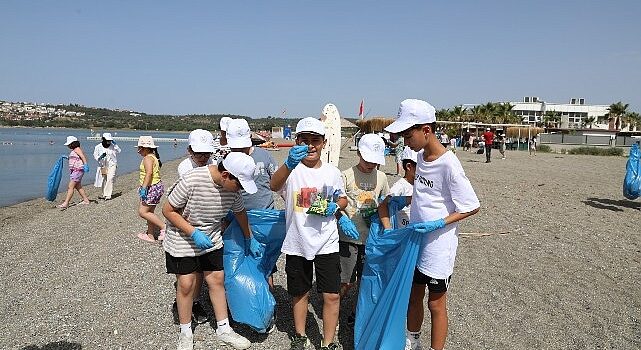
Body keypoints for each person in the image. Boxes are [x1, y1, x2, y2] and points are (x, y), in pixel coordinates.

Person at [379, 99, 480, 350]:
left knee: (435, 304)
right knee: (414, 295)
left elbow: (470, 205)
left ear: (426, 130)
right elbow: (428, 194)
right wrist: (405, 199)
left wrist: (438, 223)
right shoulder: (421, 156)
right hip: (416, 240)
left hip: (438, 246)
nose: (405, 140)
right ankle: (412, 340)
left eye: (408, 134)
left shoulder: (449, 164)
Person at [162, 152, 258, 350]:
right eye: (239, 184)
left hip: (212, 238)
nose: (240, 190)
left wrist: (250, 237)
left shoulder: (233, 191)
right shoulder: (192, 180)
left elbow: (240, 213)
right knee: (186, 284)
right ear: (226, 175)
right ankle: (185, 331)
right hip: (182, 239)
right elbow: (168, 210)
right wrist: (193, 232)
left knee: (216, 280)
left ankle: (224, 329)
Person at [270, 117, 348, 350]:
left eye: (316, 140)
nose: (311, 145)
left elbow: (341, 197)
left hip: (327, 242)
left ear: (324, 143)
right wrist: (288, 164)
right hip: (297, 241)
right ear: (296, 142)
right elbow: (274, 186)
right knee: (300, 293)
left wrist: (338, 206)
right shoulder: (291, 171)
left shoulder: (333, 172)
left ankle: (328, 342)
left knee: (332, 295)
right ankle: (300, 335)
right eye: (305, 140)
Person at [225, 118, 279, 332]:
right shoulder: (226, 159)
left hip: (264, 216)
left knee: (266, 263)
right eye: (234, 146)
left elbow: (278, 183)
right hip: (235, 218)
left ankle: (268, 307)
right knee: (237, 264)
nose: (238, 149)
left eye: (242, 146)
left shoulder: (264, 156)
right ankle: (240, 306)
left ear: (250, 142)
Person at [339, 133, 389, 327]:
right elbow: (338, 202)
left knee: (365, 280)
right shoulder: (346, 175)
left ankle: (356, 312)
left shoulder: (382, 177)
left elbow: (385, 201)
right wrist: (343, 220)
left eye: (375, 162)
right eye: (368, 160)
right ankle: (334, 308)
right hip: (348, 237)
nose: (371, 165)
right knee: (346, 280)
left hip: (371, 239)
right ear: (359, 153)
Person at [175, 129, 217, 325]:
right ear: (189, 150)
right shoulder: (185, 168)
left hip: (207, 224)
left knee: (200, 270)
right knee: (186, 275)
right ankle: (184, 302)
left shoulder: (213, 164)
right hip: (186, 224)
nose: (202, 157)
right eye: (198, 153)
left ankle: (196, 300)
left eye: (206, 153)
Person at [136, 136, 166, 242]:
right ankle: (150, 235)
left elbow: (149, 173)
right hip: (156, 186)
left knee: (143, 212)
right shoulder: (153, 157)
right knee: (150, 212)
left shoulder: (148, 158)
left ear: (144, 148)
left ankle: (163, 227)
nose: (138, 151)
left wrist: (144, 188)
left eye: (139, 148)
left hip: (151, 187)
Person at [388, 146, 419, 228]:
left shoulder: (421, 185)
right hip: (403, 234)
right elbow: (387, 205)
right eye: (421, 166)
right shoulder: (399, 187)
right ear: (409, 166)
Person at [57, 136, 91, 209]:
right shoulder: (74, 150)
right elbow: (75, 158)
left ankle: (66, 203)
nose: (68, 146)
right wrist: (67, 157)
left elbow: (83, 157)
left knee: (70, 186)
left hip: (78, 170)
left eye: (69, 144)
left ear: (73, 143)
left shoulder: (77, 149)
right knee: (78, 186)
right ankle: (86, 200)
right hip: (75, 171)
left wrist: (85, 165)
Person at [93, 132, 121, 200]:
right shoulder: (98, 147)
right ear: (103, 139)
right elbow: (95, 156)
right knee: (104, 180)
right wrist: (100, 157)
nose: (109, 142)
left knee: (110, 178)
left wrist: (115, 145)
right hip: (103, 165)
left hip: (112, 164)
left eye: (110, 140)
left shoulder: (113, 146)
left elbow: (119, 151)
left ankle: (108, 195)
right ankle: (104, 194)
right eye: (107, 140)